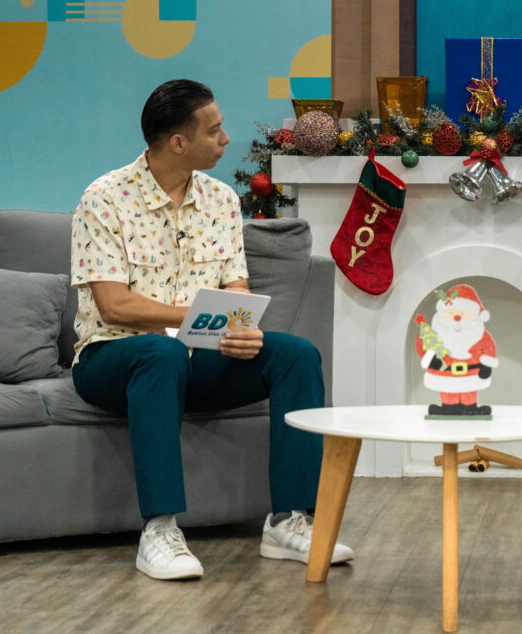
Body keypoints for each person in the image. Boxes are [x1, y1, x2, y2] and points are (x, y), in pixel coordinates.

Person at [70, 80, 353, 580]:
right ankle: (159, 531)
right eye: (215, 130)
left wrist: (242, 327)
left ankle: (289, 521)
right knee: (160, 353)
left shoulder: (220, 200)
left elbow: (235, 286)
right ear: (179, 142)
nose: (225, 138)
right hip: (111, 359)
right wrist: (189, 316)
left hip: (195, 358)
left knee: (296, 354)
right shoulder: (104, 199)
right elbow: (113, 306)